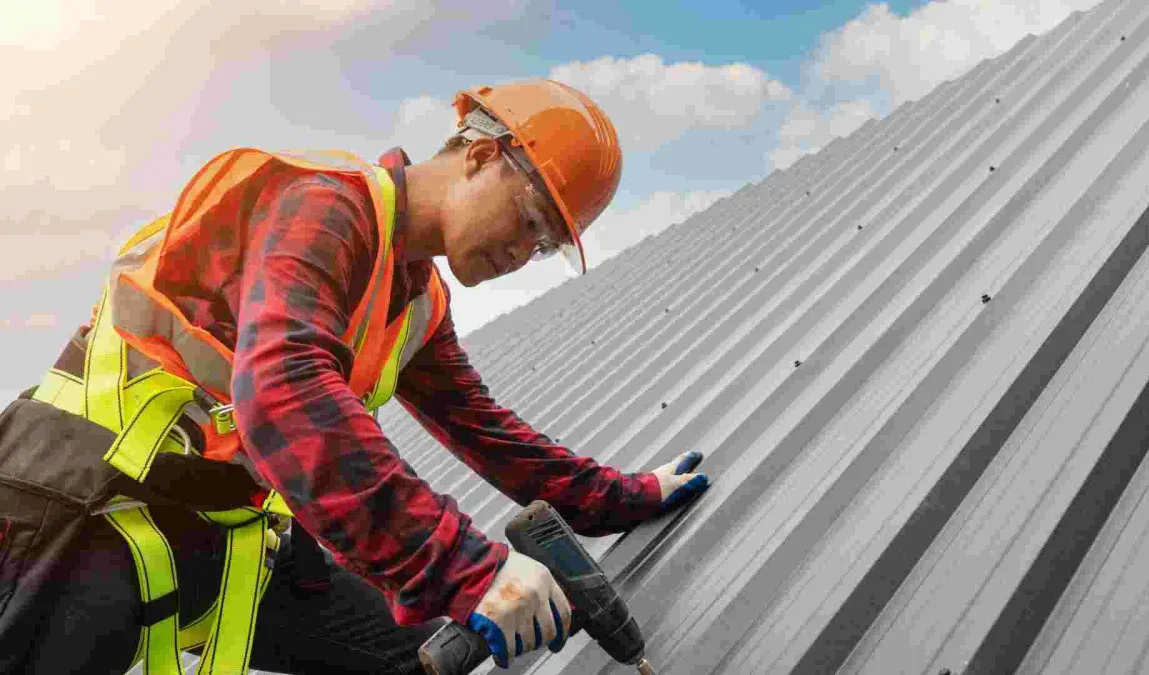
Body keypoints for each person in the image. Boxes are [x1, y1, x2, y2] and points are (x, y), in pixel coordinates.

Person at [0, 78, 710, 674]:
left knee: (416, 652)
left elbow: (492, 435)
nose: (524, 251)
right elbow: (280, 387)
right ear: (483, 155)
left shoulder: (416, 301)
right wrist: (466, 566)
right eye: (528, 220)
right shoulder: (327, 205)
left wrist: (630, 494)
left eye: (546, 245)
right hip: (73, 506)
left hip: (213, 528)